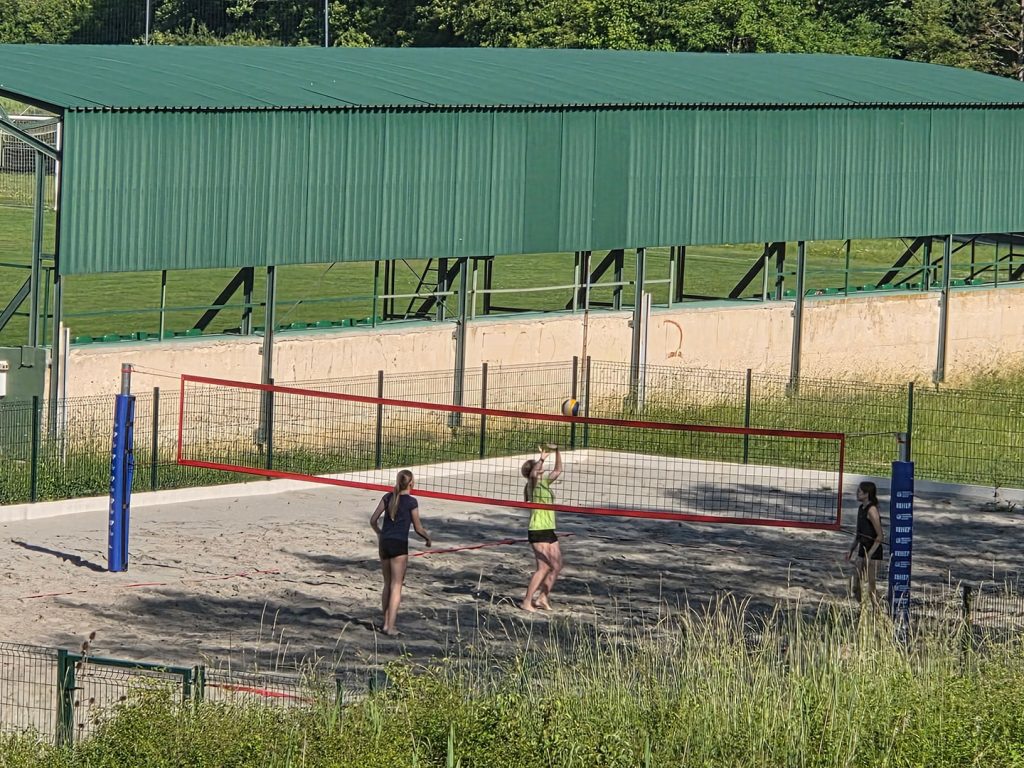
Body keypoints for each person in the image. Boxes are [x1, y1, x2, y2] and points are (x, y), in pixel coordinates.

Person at [370, 469, 431, 636]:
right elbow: (418, 528)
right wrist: (427, 538)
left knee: (387, 584)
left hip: (385, 543)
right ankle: (389, 627)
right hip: (399, 545)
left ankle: (385, 622)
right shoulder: (411, 502)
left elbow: (373, 520)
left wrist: (379, 533)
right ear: (411, 483)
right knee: (396, 586)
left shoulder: (388, 497)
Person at [520, 443, 563, 612]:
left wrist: (557, 451)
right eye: (539, 467)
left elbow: (558, 470)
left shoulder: (544, 482)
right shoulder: (533, 485)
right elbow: (533, 474)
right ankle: (526, 601)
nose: (541, 468)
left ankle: (542, 598)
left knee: (558, 565)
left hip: (549, 529)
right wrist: (541, 459)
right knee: (543, 567)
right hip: (537, 530)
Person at [846, 481, 884, 605]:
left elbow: (880, 536)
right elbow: (859, 533)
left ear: (867, 494)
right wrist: (851, 549)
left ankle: (876, 613)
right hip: (862, 550)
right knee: (856, 585)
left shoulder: (872, 510)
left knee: (870, 587)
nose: (857, 493)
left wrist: (870, 554)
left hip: (873, 552)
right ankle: (862, 610)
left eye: (860, 491)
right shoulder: (861, 508)